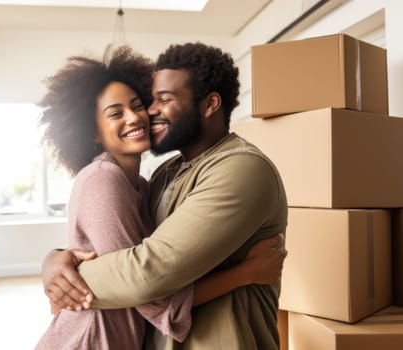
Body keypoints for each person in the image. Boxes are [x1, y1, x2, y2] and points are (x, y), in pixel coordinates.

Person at [41, 43, 288, 350]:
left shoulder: (242, 168)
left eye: (162, 100)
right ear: (93, 131)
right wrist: (54, 263)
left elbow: (145, 276)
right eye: (151, 100)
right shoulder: (160, 174)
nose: (148, 112)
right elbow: (130, 268)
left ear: (210, 104)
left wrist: (67, 278)